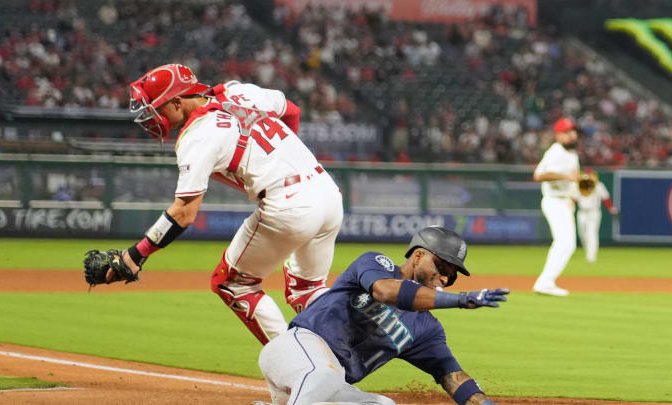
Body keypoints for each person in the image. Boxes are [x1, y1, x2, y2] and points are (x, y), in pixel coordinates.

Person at [113, 64, 343, 345]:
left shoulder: (196, 135)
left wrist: (136, 254)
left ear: (176, 101)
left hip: (290, 205)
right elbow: (292, 110)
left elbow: (184, 213)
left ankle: (299, 364)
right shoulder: (238, 90)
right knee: (307, 290)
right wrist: (284, 156)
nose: (151, 116)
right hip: (326, 191)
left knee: (232, 283)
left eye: (156, 108)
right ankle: (351, 340)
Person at [257, 226, 509, 405]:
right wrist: (461, 299)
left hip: (330, 381)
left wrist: (484, 403)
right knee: (325, 373)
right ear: (419, 255)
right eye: (442, 267)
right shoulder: (376, 263)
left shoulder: (427, 329)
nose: (444, 278)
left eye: (451, 275)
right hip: (296, 349)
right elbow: (385, 291)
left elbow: (451, 376)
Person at [532, 117, 580, 296]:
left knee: (567, 244)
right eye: (567, 132)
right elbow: (538, 175)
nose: (572, 135)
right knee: (565, 243)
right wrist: (566, 177)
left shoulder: (572, 153)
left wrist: (574, 194)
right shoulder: (556, 151)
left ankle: (546, 281)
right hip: (555, 200)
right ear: (558, 135)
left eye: (573, 131)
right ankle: (545, 282)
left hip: (565, 202)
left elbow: (573, 176)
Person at [576, 168, 620, 263]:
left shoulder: (599, 185)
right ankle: (588, 252)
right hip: (582, 212)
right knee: (582, 234)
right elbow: (574, 199)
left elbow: (605, 198)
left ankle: (591, 256)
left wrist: (611, 209)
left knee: (592, 233)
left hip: (593, 212)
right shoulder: (578, 185)